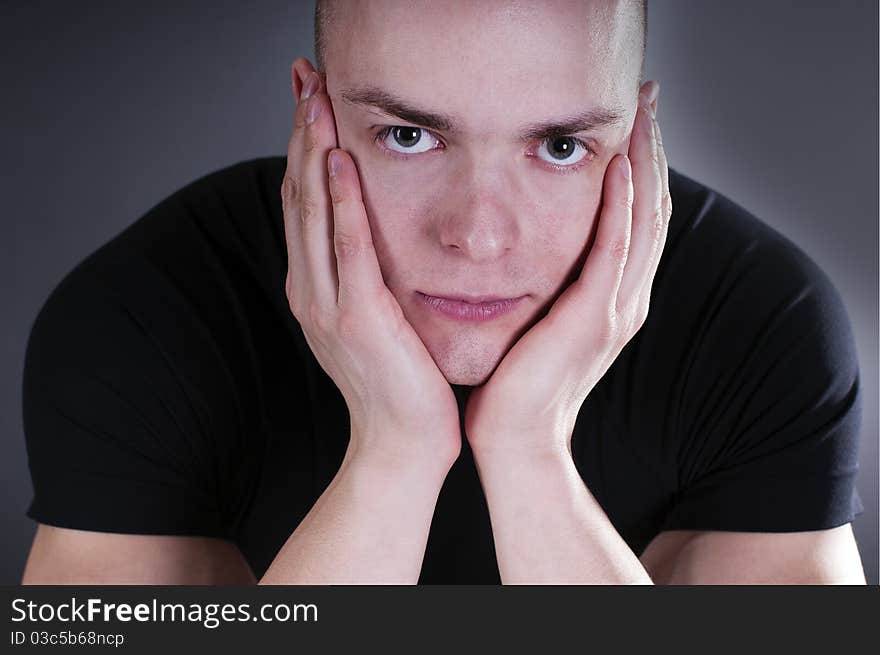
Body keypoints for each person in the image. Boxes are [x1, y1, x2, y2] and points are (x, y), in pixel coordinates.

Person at [20, 0, 866, 584]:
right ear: (312, 116)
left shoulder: (762, 326)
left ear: (635, 137)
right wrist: (395, 449)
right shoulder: (146, 316)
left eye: (562, 146)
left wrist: (530, 448)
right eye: (409, 135)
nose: (479, 234)